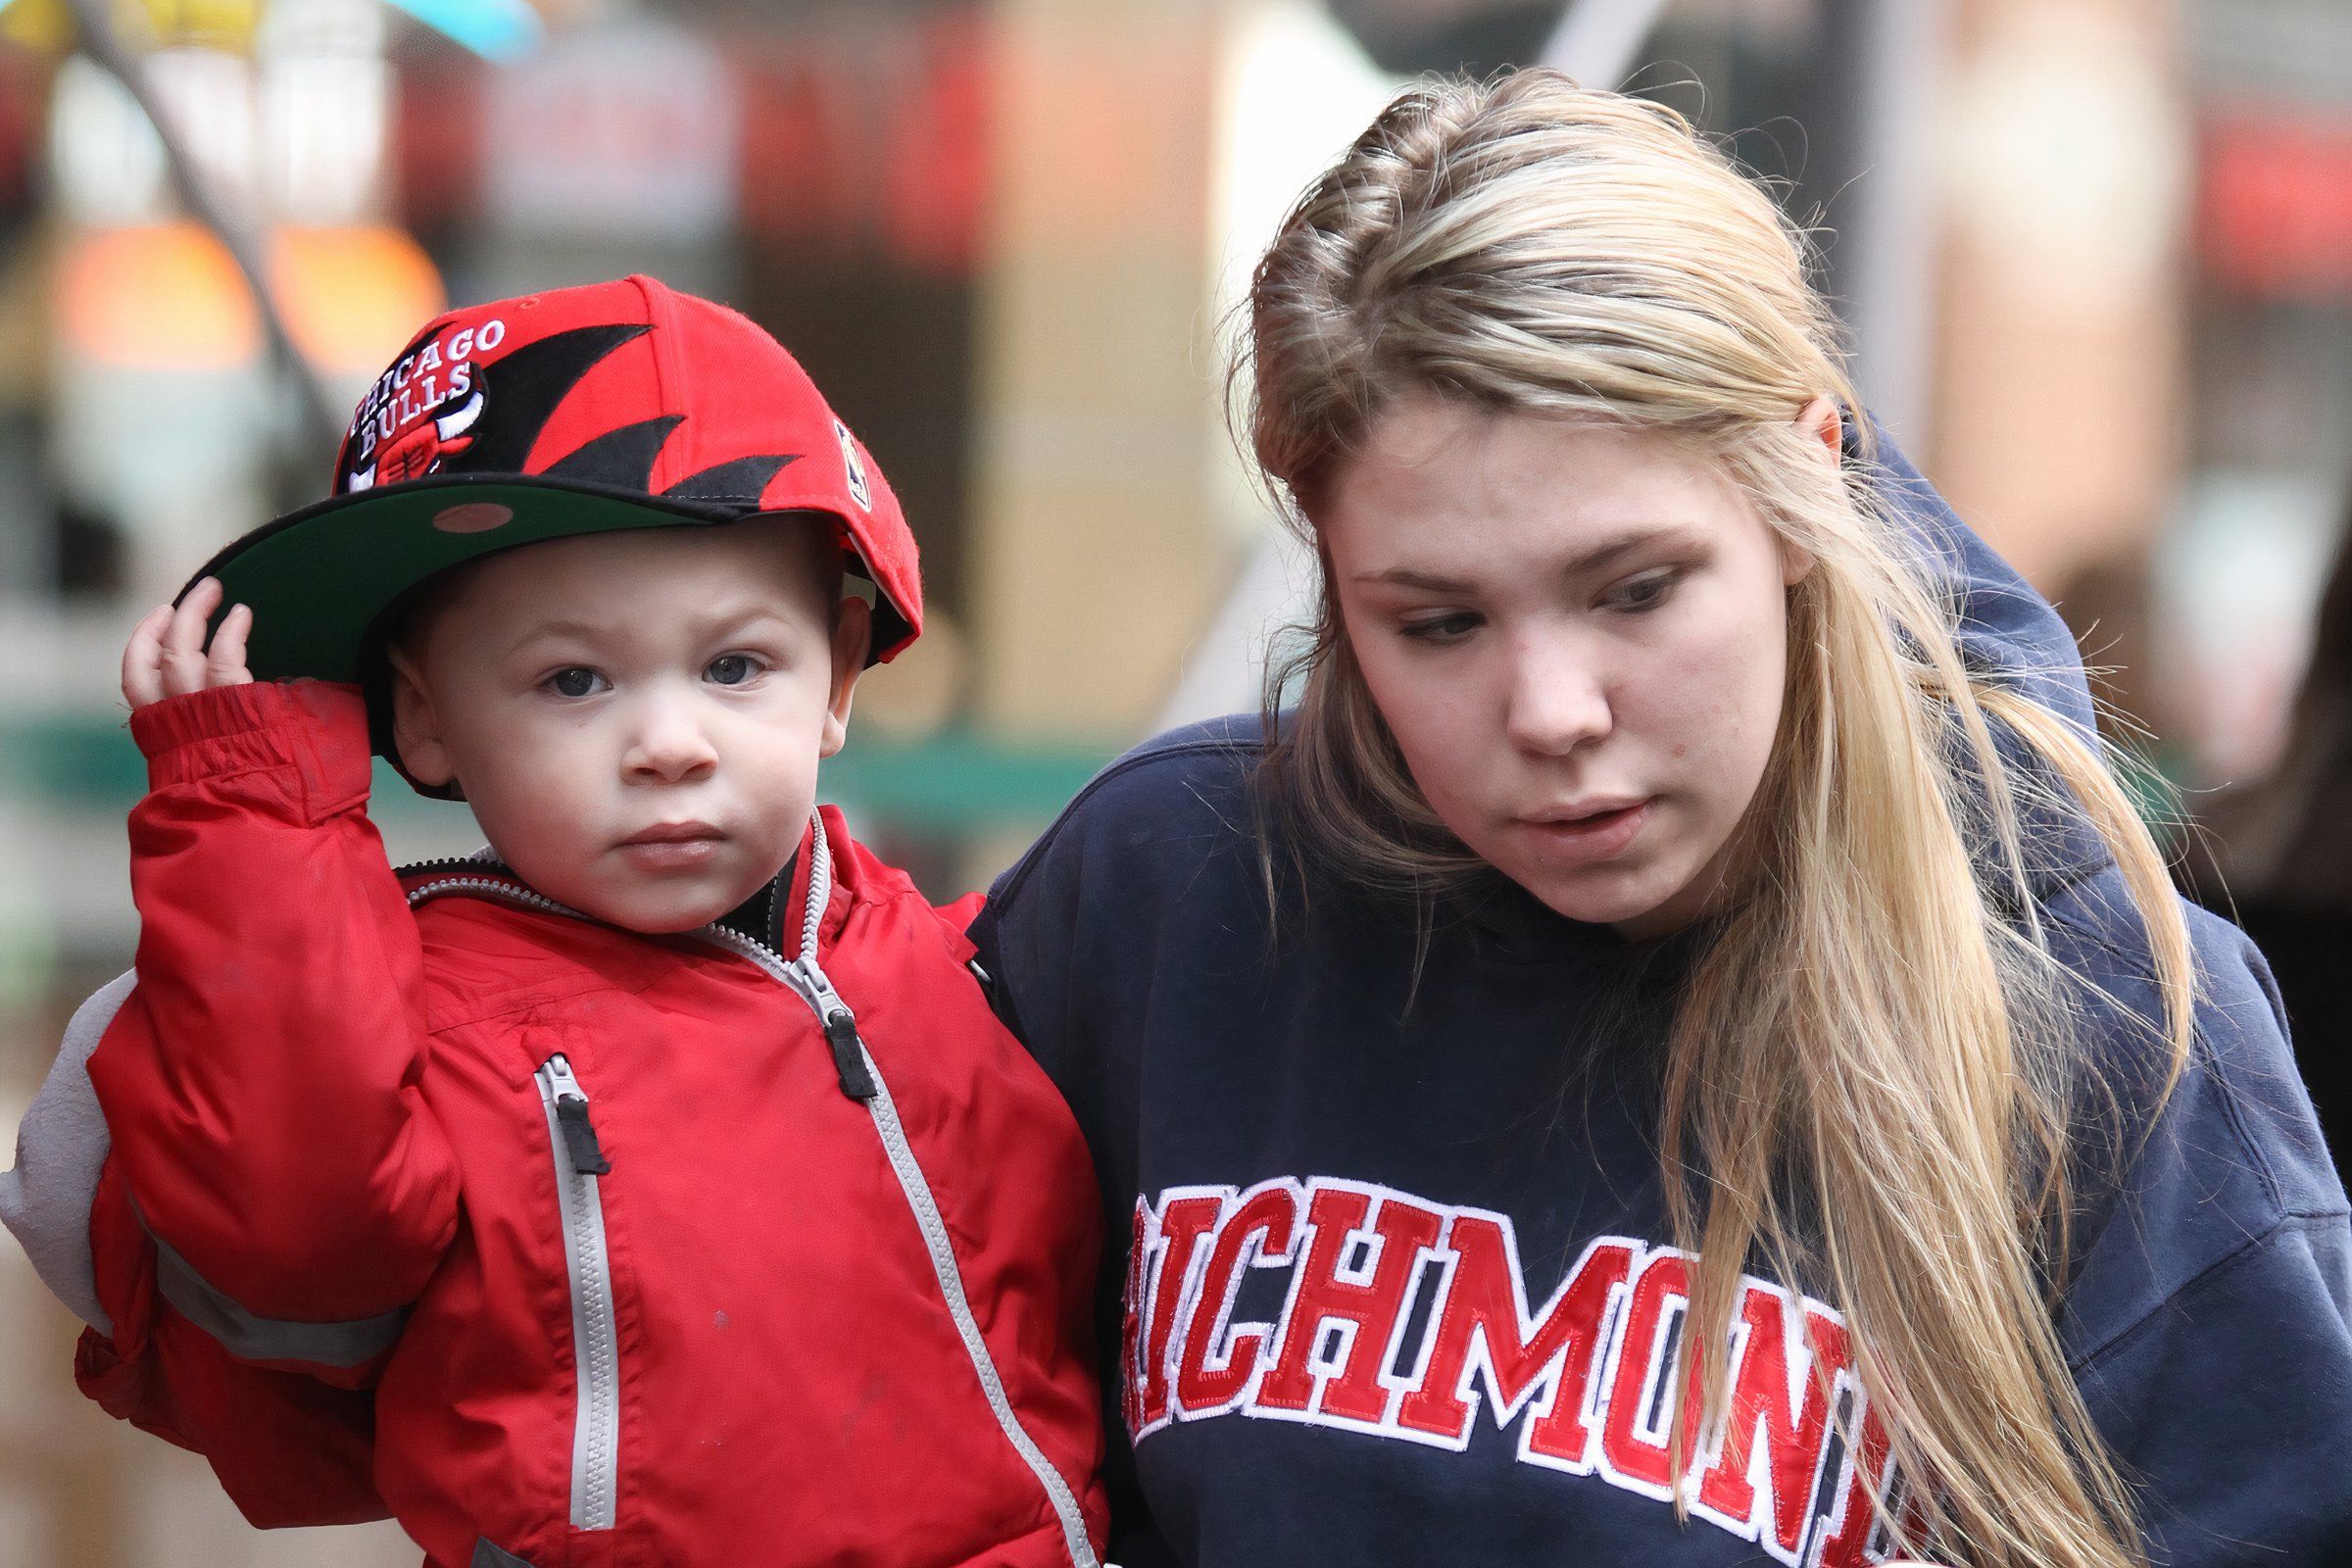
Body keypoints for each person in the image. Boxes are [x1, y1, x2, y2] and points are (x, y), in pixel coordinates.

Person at [968, 74, 2352, 1568]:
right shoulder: (1165, 898)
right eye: (1437, 622)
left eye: (1634, 590)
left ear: (1806, 477)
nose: (1551, 707)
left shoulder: (2104, 1011)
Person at [6, 276, 1105, 1568]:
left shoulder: (949, 964)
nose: (669, 744)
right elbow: (298, 1227)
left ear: (841, 671)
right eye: (572, 680)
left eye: (736, 667)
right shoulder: (418, 1020)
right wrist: (247, 822)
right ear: (423, 719)